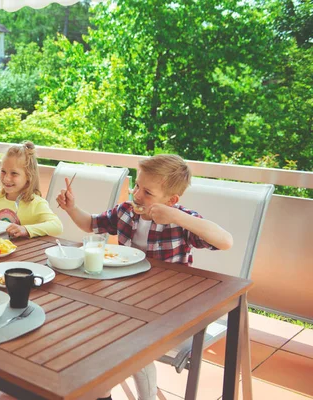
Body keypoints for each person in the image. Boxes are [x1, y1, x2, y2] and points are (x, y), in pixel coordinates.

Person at [56, 154, 233, 400]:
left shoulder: (180, 222)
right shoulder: (126, 212)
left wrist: (175, 216)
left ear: (171, 200)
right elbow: (90, 225)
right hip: (128, 298)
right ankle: (102, 393)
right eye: (137, 186)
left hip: (168, 306)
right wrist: (71, 208)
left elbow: (225, 241)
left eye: (147, 193)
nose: (137, 195)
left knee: (125, 345)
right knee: (91, 334)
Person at [0, 141, 63, 238]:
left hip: (27, 252)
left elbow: (57, 226)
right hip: (0, 250)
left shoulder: (36, 203)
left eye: (14, 173)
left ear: (28, 176)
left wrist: (26, 229)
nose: (6, 178)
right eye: (3, 171)